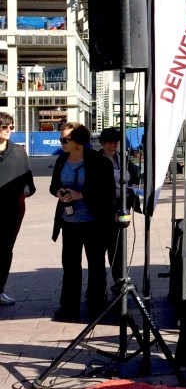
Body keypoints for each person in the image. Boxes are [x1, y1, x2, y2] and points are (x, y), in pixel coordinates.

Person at [50, 123, 115, 321]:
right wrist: (60, 192)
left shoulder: (99, 162)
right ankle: (69, 307)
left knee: (95, 264)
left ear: (78, 142)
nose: (61, 143)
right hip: (68, 222)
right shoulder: (62, 159)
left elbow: (108, 192)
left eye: (65, 140)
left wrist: (81, 195)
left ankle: (96, 304)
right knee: (70, 266)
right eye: (61, 139)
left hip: (93, 222)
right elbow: (54, 185)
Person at [0, 113, 36, 306]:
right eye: (4, 127)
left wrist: (26, 190)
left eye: (11, 127)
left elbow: (28, 180)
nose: (8, 131)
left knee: (6, 250)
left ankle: (0, 289)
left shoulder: (18, 152)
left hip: (12, 209)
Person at [99, 127, 141, 284]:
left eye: (116, 142)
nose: (114, 145)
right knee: (102, 245)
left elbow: (133, 177)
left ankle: (119, 278)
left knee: (119, 244)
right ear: (103, 143)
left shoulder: (122, 158)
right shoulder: (97, 159)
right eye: (111, 142)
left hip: (122, 207)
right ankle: (99, 284)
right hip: (103, 209)